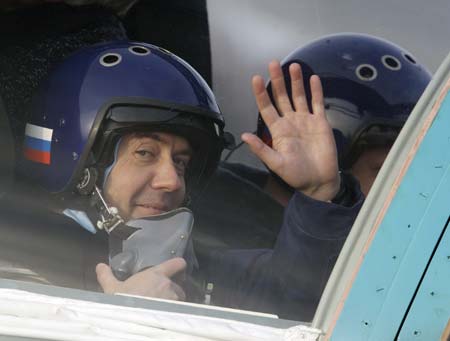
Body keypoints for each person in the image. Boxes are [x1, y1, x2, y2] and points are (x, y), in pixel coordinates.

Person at [12, 40, 362, 321]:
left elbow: (299, 299)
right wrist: (120, 324)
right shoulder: (17, 276)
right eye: (145, 153)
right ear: (80, 164)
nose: (171, 180)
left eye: (181, 162)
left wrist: (319, 194)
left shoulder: (193, 271)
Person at [192, 33, 432, 253]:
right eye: (384, 171)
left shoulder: (408, 249)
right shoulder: (211, 249)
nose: (407, 189)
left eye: (415, 172)